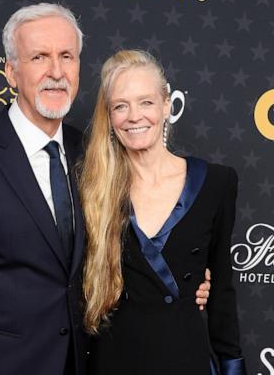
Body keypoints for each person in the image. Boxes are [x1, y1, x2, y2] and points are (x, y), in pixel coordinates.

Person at [0, 4, 210, 375]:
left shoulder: (92, 154)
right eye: (39, 57)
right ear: (11, 72)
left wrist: (193, 276)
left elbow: (129, 249)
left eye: (66, 56)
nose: (56, 72)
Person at [79, 49, 246, 375]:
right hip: (112, 362)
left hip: (185, 359)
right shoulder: (90, 189)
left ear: (167, 105)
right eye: (120, 106)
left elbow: (222, 291)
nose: (134, 116)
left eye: (146, 102)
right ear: (109, 118)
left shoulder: (215, 183)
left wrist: (233, 367)